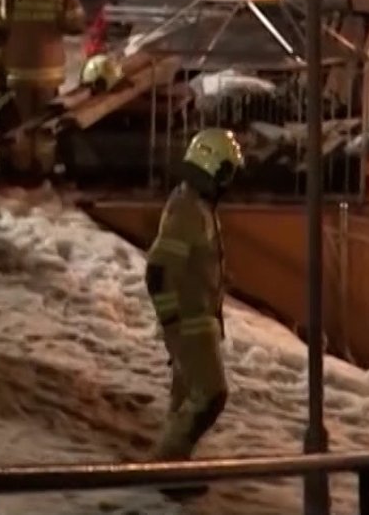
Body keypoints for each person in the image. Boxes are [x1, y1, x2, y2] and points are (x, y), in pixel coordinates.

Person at [144, 127, 244, 498]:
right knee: (210, 394)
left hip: (196, 319)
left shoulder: (194, 204)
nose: (229, 181)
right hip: (190, 321)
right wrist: (173, 323)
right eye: (227, 172)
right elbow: (157, 270)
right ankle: (163, 465)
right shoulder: (189, 208)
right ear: (212, 167)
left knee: (186, 398)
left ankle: (172, 471)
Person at [0, 0, 86, 183]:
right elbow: (76, 26)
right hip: (49, 71)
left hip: (16, 71)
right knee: (43, 125)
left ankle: (18, 172)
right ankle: (43, 171)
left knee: (16, 122)